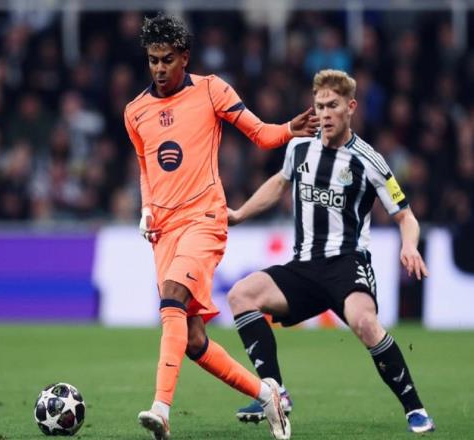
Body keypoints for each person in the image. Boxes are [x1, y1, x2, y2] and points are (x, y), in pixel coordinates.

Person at [124, 13, 319, 440]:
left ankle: (161, 409)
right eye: (153, 60)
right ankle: (267, 395)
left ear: (184, 57)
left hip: (205, 218)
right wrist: (146, 209)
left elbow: (260, 134)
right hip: (164, 230)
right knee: (193, 340)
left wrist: (290, 129)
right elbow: (145, 167)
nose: (159, 68)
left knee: (172, 297)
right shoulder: (135, 112)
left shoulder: (212, 89)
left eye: (167, 59)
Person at [227, 69, 435, 434]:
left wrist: (409, 245)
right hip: (304, 266)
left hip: (347, 263)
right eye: (319, 105)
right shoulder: (299, 146)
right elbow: (280, 183)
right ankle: (276, 393)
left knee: (365, 323)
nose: (324, 113)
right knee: (241, 295)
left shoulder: (369, 160)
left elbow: (406, 216)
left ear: (350, 107)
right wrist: (240, 214)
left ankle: (415, 409)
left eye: (332, 106)